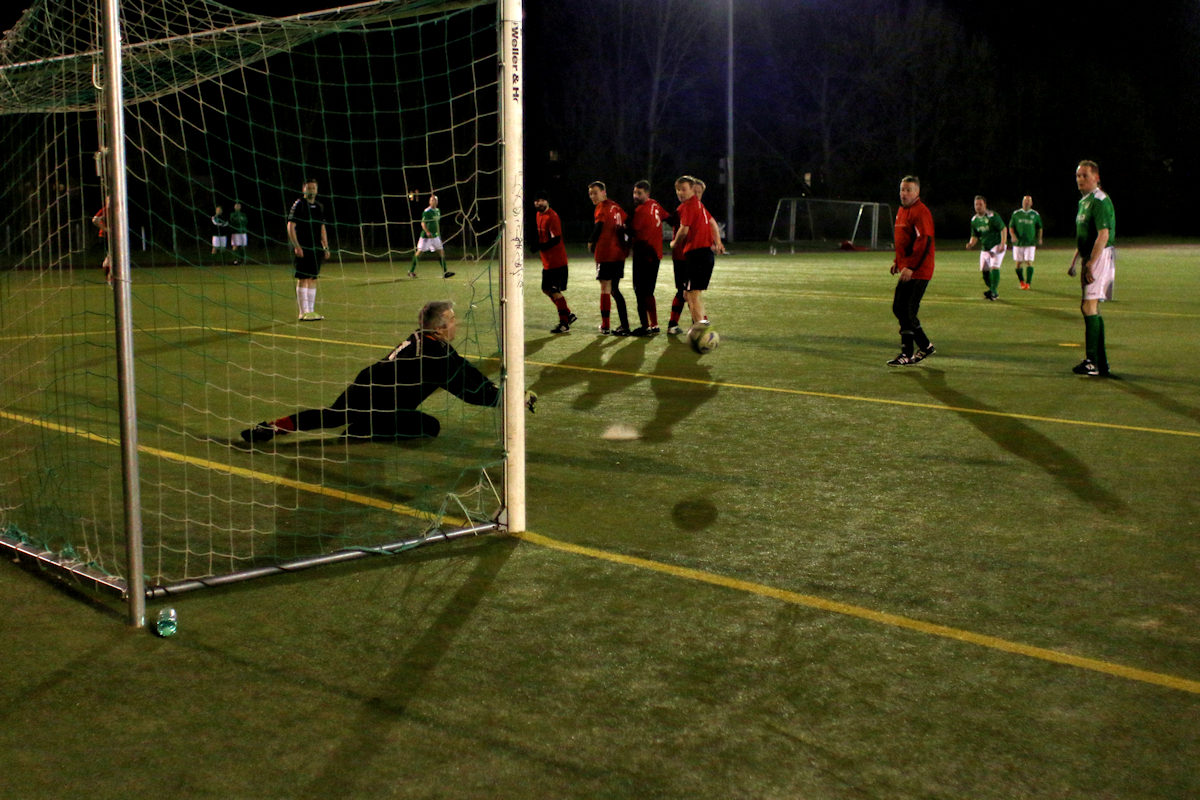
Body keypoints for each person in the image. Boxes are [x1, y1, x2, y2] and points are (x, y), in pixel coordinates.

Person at [241, 300, 536, 442]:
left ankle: (271, 426)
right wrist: (513, 399)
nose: (457, 324)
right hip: (383, 400)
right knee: (428, 427)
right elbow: (473, 390)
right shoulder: (438, 353)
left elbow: (469, 379)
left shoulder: (420, 339)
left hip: (365, 382)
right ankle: (368, 430)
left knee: (332, 415)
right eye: (453, 320)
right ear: (440, 328)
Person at [1069, 160, 1116, 377]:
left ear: (1096, 177)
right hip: (1090, 256)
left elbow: (1103, 234)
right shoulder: (1084, 201)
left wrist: (1090, 263)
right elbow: (1084, 236)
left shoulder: (1099, 200)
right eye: (1078, 175)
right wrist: (1076, 259)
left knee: (1089, 307)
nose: (1080, 179)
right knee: (1090, 307)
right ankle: (1101, 362)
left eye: (1084, 175)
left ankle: (1093, 362)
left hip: (1099, 256)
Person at [887, 175, 937, 366]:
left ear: (917, 192)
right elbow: (904, 242)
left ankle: (907, 353)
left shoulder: (920, 212)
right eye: (902, 189)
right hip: (908, 267)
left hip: (919, 270)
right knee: (900, 309)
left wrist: (911, 266)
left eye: (908, 190)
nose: (904, 193)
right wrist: (897, 262)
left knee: (906, 310)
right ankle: (924, 347)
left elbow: (924, 241)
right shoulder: (902, 211)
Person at [668, 175, 725, 331]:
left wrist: (674, 243)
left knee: (691, 295)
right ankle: (699, 326)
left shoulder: (688, 206)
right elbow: (712, 223)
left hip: (696, 255)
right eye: (678, 190)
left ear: (692, 190)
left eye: (683, 189)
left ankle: (701, 332)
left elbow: (684, 229)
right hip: (702, 255)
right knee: (689, 294)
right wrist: (718, 242)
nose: (680, 193)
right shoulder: (698, 206)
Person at [587, 180, 631, 335]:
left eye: (595, 192)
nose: (593, 196)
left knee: (605, 288)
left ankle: (605, 326)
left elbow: (599, 225)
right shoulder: (617, 207)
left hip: (606, 253)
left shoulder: (602, 207)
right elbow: (627, 225)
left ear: (604, 192)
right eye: (590, 193)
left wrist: (591, 241)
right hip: (619, 255)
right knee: (614, 289)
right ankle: (624, 325)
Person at [287, 178, 330, 322]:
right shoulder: (299, 205)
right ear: (303, 189)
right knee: (303, 278)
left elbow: (322, 228)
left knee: (313, 278)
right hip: (303, 246)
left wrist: (325, 246)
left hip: (316, 247)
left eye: (314, 188)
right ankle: (302, 312)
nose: (311, 190)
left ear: (317, 190)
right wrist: (296, 245)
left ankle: (310, 311)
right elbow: (290, 226)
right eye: (309, 188)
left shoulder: (319, 207)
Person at [533, 192, 577, 333]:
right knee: (546, 289)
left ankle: (564, 323)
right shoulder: (538, 215)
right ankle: (567, 314)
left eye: (541, 200)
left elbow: (556, 239)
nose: (539, 203)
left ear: (547, 201)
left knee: (554, 291)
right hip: (548, 263)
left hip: (557, 262)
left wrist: (540, 246)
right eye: (536, 200)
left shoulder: (552, 216)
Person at [629, 179, 666, 336]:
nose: (636, 196)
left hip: (644, 254)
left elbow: (633, 232)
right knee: (649, 292)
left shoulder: (641, 211)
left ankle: (645, 327)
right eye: (635, 192)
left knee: (640, 291)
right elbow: (668, 217)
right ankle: (655, 325)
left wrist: (620, 229)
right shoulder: (655, 204)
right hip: (655, 254)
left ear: (647, 194)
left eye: (639, 193)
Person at [967, 195, 1008, 300]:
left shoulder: (992, 216)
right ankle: (993, 290)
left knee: (994, 266)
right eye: (976, 204)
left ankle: (993, 292)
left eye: (980, 204)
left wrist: (1003, 243)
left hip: (997, 245)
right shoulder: (974, 220)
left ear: (985, 205)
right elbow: (975, 235)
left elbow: (1003, 228)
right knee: (985, 272)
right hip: (985, 247)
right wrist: (971, 243)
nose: (978, 206)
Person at [409, 194, 454, 279]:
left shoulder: (438, 210)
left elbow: (436, 224)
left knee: (441, 252)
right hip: (426, 237)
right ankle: (411, 271)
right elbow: (423, 223)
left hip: (436, 237)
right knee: (419, 253)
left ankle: (445, 272)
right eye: (432, 200)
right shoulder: (427, 211)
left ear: (437, 202)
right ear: (429, 202)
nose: (434, 201)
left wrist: (438, 234)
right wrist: (427, 232)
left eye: (435, 200)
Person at [1008, 195, 1042, 290]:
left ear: (1031, 203)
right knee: (1018, 264)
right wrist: (1013, 236)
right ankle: (1022, 281)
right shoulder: (1016, 214)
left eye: (1028, 201)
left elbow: (1039, 227)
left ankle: (1028, 283)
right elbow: (1011, 227)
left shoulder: (1035, 214)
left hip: (1030, 243)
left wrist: (1039, 238)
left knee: (1028, 262)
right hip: (1018, 243)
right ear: (1022, 202)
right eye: (1025, 201)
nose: (1026, 202)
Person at [91, 196, 111, 284]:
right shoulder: (106, 210)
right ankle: (110, 278)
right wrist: (105, 229)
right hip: (106, 236)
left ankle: (109, 276)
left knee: (111, 256)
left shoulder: (117, 210)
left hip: (110, 236)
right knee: (111, 256)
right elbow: (95, 219)